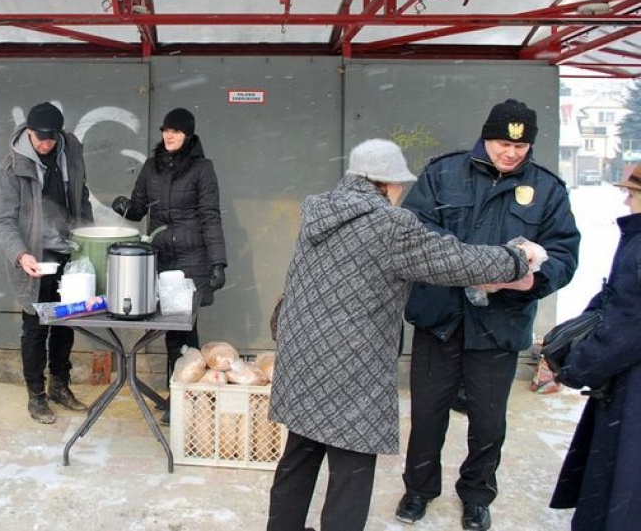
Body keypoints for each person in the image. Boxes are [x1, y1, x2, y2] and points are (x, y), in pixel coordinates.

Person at [267, 139, 538, 531]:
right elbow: (454, 261)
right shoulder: (390, 226)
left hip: (303, 357)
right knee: (351, 468)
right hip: (351, 366)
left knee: (300, 454)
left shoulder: (320, 210)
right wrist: (515, 260)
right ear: (388, 183)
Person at [396, 99, 581, 530]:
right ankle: (419, 488)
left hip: (500, 323)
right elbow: (413, 231)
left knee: (488, 421)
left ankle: (477, 494)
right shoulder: (443, 173)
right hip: (440, 316)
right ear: (486, 137)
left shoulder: (548, 189)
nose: (511, 153)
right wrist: (470, 264)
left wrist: (530, 280)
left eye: (521, 146)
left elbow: (564, 255)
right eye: (503, 143)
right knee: (427, 414)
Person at [112, 108, 227, 422]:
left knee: (185, 329)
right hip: (161, 256)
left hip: (192, 258)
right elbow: (138, 209)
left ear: (187, 135)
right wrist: (125, 206)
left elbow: (210, 216)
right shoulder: (152, 167)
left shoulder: (202, 168)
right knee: (169, 328)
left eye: (175, 131)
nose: (169, 135)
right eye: (165, 130)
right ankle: (177, 394)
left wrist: (218, 262)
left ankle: (185, 398)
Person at [549, 164, 641, 530]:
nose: (626, 201)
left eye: (632, 194)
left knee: (623, 488)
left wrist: (578, 364)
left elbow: (628, 321)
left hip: (632, 388)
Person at [0, 102, 94, 424]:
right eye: (40, 139)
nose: (45, 145)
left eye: (51, 139)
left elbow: (82, 196)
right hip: (33, 256)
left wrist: (88, 237)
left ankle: (59, 386)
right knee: (35, 327)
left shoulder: (71, 153)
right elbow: (1, 220)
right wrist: (21, 254)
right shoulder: (13, 166)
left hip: (68, 252)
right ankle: (36, 396)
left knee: (66, 322)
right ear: (29, 132)